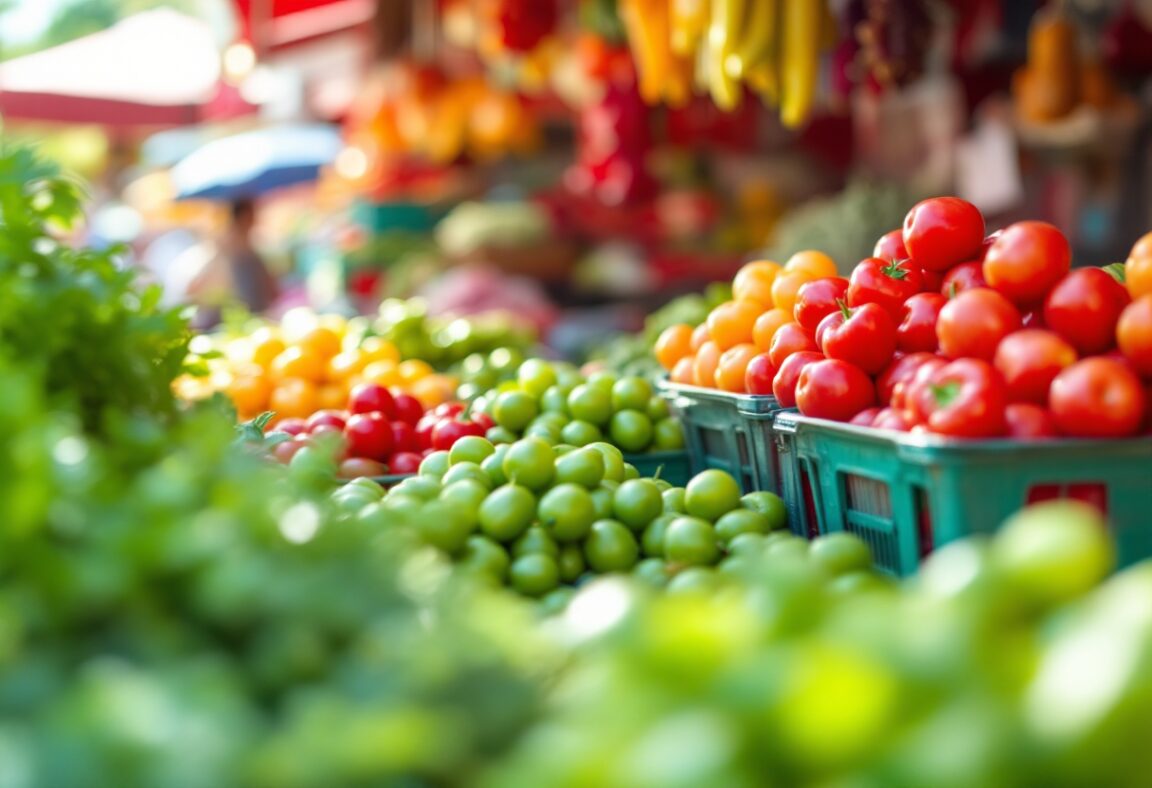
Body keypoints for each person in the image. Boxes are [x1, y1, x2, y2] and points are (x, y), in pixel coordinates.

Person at [186, 198, 280, 328]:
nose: (255, 219)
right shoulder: (226, 244)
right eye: (252, 214)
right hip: (238, 311)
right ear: (243, 215)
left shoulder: (247, 242)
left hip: (254, 308)